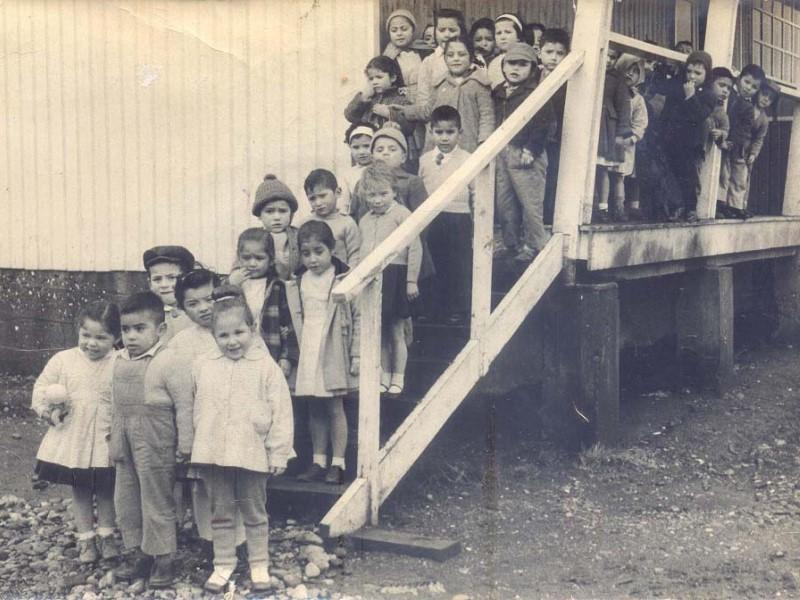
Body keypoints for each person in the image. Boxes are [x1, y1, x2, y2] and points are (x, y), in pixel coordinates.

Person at [191, 297, 293, 593]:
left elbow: (281, 411)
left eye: (239, 332)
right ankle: (223, 563)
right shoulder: (204, 365)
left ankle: (259, 563)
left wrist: (278, 451)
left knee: (254, 511)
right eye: (223, 335)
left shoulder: (265, 367)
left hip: (251, 450)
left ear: (252, 329)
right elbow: (198, 407)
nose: (232, 341)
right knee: (221, 510)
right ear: (213, 336)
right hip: (215, 452)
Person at [109, 291, 193, 588]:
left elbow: (184, 405)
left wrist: (186, 444)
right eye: (125, 329)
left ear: (160, 329)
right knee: (127, 499)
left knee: (156, 498)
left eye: (139, 329)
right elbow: (111, 403)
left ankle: (163, 557)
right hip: (124, 437)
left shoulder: (169, 361)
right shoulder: (117, 360)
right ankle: (139, 552)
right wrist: (112, 439)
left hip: (156, 439)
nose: (131, 336)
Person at [31, 301, 121, 564]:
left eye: (101, 337)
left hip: (105, 435)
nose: (92, 343)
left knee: (106, 488)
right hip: (74, 436)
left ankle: (107, 535)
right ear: (78, 332)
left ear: (117, 337)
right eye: (86, 335)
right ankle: (86, 539)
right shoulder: (63, 360)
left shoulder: (120, 362)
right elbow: (41, 389)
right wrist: (49, 411)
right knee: (80, 488)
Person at [167, 270, 248, 555]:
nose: (203, 308)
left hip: (235, 420)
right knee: (202, 483)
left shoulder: (237, 332)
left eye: (208, 299)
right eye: (193, 303)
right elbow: (177, 388)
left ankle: (240, 540)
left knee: (236, 479)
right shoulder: (181, 343)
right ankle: (209, 538)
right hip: (200, 422)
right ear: (182, 308)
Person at [287, 221, 360, 483]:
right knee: (314, 406)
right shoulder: (298, 281)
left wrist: (357, 354)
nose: (312, 259)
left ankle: (337, 463)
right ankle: (318, 460)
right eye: (306, 253)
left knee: (333, 405)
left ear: (332, 249)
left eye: (319, 251)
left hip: (333, 348)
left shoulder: (343, 278)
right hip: (308, 346)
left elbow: (358, 316)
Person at [357, 164, 422, 396]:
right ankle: (383, 376)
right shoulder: (364, 220)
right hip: (374, 280)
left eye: (383, 194)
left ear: (394, 191)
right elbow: (360, 252)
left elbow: (415, 247)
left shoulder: (402, 215)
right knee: (380, 331)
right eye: (371, 195)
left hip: (396, 276)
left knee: (396, 330)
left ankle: (398, 376)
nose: (377, 200)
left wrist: (411, 280)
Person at [492, 42, 555, 262]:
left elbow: (544, 124)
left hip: (526, 153)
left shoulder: (536, 92)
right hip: (503, 152)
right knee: (505, 201)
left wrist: (532, 148)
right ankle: (511, 243)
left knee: (531, 202)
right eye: (511, 63)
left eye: (522, 64)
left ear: (532, 68)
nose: (515, 69)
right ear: (503, 65)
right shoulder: (498, 92)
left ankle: (534, 244)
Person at [418, 106, 473, 324]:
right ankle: (432, 308)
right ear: (431, 132)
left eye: (450, 132)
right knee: (432, 262)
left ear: (460, 132)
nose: (444, 138)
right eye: (439, 132)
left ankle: (458, 308)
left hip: (458, 217)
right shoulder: (425, 160)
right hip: (432, 218)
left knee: (458, 264)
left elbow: (476, 191)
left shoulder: (468, 158)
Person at [664, 66, 734, 222]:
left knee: (693, 179)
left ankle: (690, 209)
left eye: (729, 88)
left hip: (702, 151)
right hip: (686, 145)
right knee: (678, 176)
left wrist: (721, 134)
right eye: (721, 85)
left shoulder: (720, 110)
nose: (725, 91)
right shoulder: (700, 99)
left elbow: (725, 129)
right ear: (710, 83)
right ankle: (679, 207)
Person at [227, 228, 297, 375]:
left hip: (269, 350)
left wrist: (286, 357)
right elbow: (219, 310)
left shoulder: (277, 287)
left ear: (271, 260)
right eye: (246, 258)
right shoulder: (234, 283)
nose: (252, 263)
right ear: (239, 258)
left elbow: (287, 325)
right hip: (237, 350)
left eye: (259, 258)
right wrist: (231, 285)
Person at [402, 8, 467, 151]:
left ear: (461, 31)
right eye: (442, 30)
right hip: (436, 123)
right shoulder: (429, 62)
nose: (447, 35)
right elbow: (423, 96)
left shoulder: (468, 58)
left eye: (452, 30)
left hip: (463, 122)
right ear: (435, 32)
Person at [423, 37, 495, 153]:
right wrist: (404, 111)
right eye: (450, 55)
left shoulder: (479, 84)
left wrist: (484, 142)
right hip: (441, 144)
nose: (456, 59)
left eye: (461, 55)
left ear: (471, 58)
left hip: (468, 144)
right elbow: (427, 111)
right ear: (445, 59)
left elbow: (486, 116)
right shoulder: (440, 84)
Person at [608, 54, 649, 222]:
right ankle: (604, 205)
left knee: (620, 175)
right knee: (605, 173)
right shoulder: (610, 91)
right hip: (608, 137)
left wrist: (632, 137)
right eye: (627, 69)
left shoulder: (637, 99)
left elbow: (641, 123)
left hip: (626, 143)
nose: (630, 74)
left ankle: (619, 208)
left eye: (635, 72)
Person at [594, 46, 633, 222]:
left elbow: (624, 108)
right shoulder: (591, 71)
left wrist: (620, 134)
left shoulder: (617, 80)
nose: (608, 60)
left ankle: (603, 207)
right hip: (589, 124)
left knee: (603, 168)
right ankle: (590, 204)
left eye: (613, 57)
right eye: (606, 55)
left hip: (606, 128)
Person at [719, 64, 765, 209]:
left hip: (735, 145)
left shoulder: (748, 107)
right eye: (746, 82)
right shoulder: (728, 95)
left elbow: (746, 130)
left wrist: (735, 142)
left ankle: (734, 207)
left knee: (737, 178)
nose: (748, 88)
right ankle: (719, 204)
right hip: (720, 140)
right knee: (722, 175)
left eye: (754, 87)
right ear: (739, 78)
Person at [539, 27, 571, 224]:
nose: (554, 58)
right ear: (539, 52)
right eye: (549, 52)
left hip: (557, 136)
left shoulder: (570, 79)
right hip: (536, 136)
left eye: (560, 53)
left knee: (553, 177)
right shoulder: (534, 76)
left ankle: (549, 218)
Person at [299, 169, 362, 266]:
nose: (318, 203)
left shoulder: (347, 223)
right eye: (312, 198)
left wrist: (350, 275)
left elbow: (355, 254)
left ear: (337, 192)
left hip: (340, 277)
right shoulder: (305, 223)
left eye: (322, 196)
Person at [344, 56, 413, 136]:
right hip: (368, 143)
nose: (374, 82)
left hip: (387, 145)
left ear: (393, 78)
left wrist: (389, 114)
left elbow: (409, 127)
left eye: (379, 77)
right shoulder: (368, 99)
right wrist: (362, 98)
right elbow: (349, 116)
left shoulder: (401, 100)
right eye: (371, 79)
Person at [143, 246, 196, 343]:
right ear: (149, 283)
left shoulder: (198, 311)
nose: (164, 285)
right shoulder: (146, 314)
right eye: (157, 279)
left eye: (171, 278)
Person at [251, 174, 300, 281]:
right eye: (269, 211)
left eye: (282, 211)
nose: (277, 217)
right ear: (259, 215)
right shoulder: (253, 238)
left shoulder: (299, 236)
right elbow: (240, 263)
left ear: (291, 214)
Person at [743, 80, 780, 204]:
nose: (766, 99)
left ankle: (741, 205)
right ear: (758, 92)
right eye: (764, 94)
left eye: (770, 99)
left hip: (747, 151)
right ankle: (724, 205)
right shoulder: (746, 106)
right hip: (736, 144)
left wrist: (753, 154)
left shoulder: (764, 120)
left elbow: (759, 139)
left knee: (744, 177)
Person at [383, 9, 422, 103]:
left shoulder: (424, 51)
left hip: (423, 100)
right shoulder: (387, 57)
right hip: (399, 103)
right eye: (394, 30)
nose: (399, 33)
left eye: (404, 29)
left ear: (413, 30)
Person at [339, 124, 376, 216]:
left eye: (366, 146)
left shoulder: (383, 169)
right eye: (356, 147)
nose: (361, 152)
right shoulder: (347, 175)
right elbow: (343, 204)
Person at [488, 13, 525, 89]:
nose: (503, 37)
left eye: (507, 32)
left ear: (518, 36)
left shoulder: (524, 59)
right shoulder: (494, 63)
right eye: (499, 33)